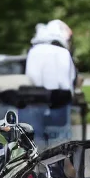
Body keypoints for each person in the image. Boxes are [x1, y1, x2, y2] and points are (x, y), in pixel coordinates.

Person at [24, 19, 77, 148]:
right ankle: (56, 167)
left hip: (35, 102)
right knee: (59, 146)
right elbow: (69, 81)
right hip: (59, 102)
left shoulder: (34, 51)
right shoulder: (63, 53)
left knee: (36, 143)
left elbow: (30, 77)